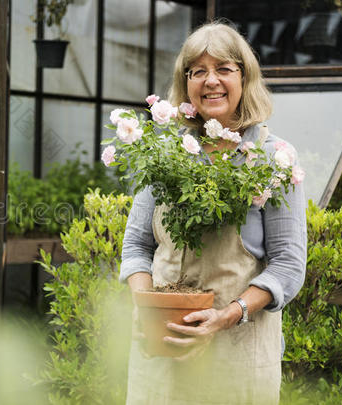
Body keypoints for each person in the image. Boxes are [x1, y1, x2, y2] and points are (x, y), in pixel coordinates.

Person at [119, 21, 307, 405]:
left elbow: (288, 265)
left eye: (224, 69)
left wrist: (225, 316)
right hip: (161, 353)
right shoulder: (165, 154)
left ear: (245, 78)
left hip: (235, 356)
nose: (211, 81)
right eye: (198, 71)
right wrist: (145, 307)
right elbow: (137, 245)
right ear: (185, 82)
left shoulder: (273, 159)